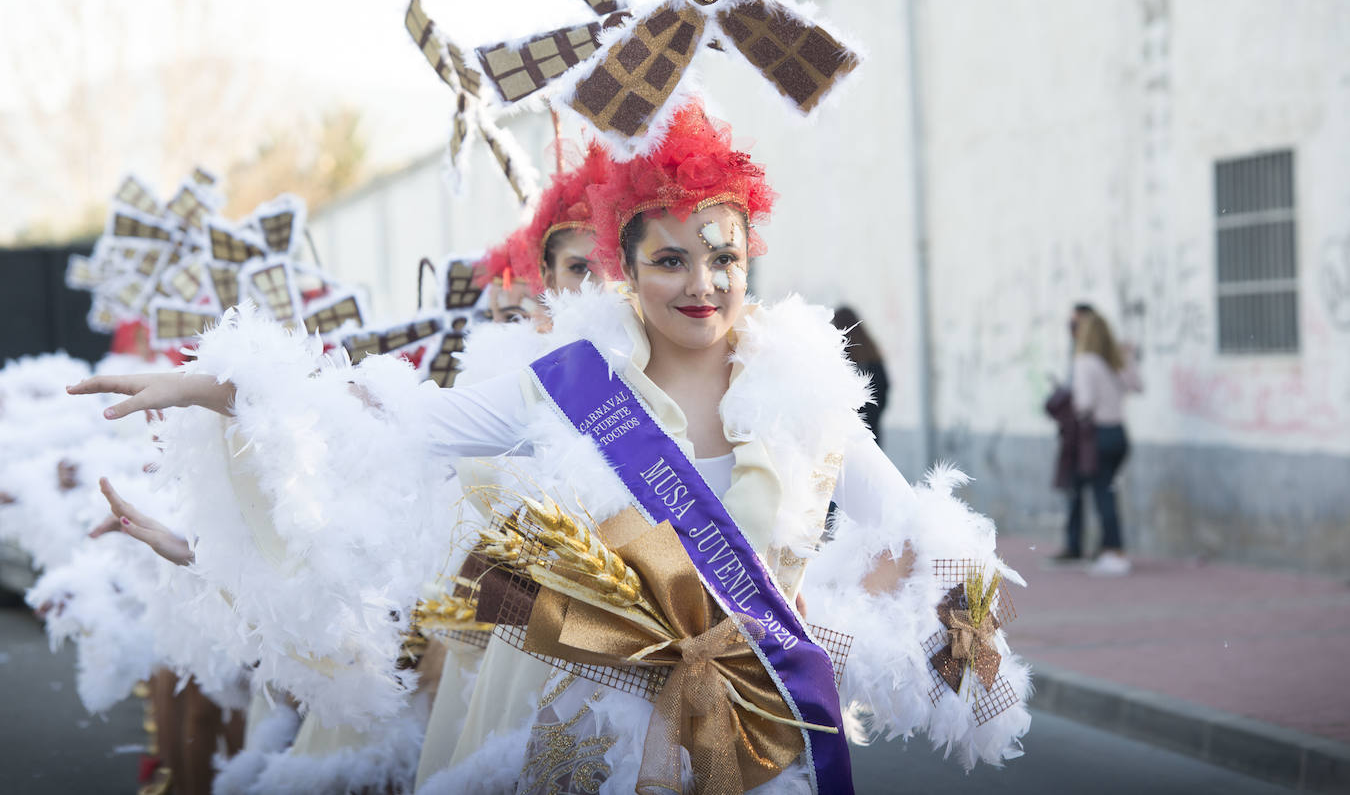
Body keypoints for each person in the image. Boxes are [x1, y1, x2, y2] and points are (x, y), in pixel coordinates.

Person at [70, 103, 1030, 793]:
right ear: (628, 269)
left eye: (725, 255)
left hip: (759, 745)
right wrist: (227, 384)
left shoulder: (808, 395)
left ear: (751, 258)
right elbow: (394, 418)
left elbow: (922, 532)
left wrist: (863, 639)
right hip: (586, 750)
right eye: (671, 259)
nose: (703, 283)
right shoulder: (569, 384)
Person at [1060, 308, 1142, 576]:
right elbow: (1137, 385)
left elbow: (1084, 403)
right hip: (1119, 433)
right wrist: (1127, 358)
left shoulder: (1085, 361)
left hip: (1097, 435)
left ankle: (1112, 551)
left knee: (1101, 494)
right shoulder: (1116, 359)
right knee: (1107, 490)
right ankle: (1109, 548)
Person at [831, 306, 890, 446]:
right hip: (870, 431)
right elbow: (883, 390)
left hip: (843, 434)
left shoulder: (838, 358)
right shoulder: (872, 355)